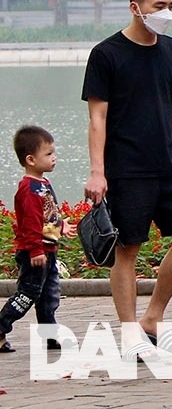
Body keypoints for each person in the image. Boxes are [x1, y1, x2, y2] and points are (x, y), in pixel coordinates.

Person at [81, 0, 172, 347]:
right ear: (136, 7)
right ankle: (130, 332)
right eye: (159, 5)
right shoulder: (106, 54)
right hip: (128, 168)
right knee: (127, 250)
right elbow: (97, 118)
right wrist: (97, 172)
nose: (166, 12)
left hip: (171, 165)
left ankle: (153, 318)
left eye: (171, 5)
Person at [1, 126, 74, 353]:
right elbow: (31, 223)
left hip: (47, 251)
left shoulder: (42, 184)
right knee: (28, 294)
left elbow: (47, 215)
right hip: (35, 253)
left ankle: (50, 335)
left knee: (49, 296)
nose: (54, 158)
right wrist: (35, 250)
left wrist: (61, 226)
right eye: (49, 154)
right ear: (31, 159)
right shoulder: (29, 189)